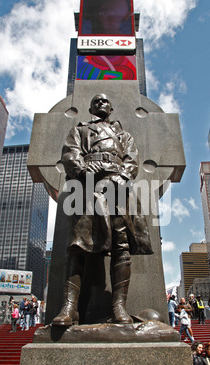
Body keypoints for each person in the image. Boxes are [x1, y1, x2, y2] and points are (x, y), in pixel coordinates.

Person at [52, 93, 153, 327]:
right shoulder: (79, 130)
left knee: (122, 244)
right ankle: (70, 308)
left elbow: (132, 159)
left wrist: (123, 176)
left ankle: (119, 307)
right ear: (90, 107)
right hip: (86, 187)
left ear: (111, 108)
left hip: (117, 186)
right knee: (78, 245)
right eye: (95, 100)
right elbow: (70, 153)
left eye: (104, 101)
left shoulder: (124, 135)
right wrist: (84, 169)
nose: (100, 103)